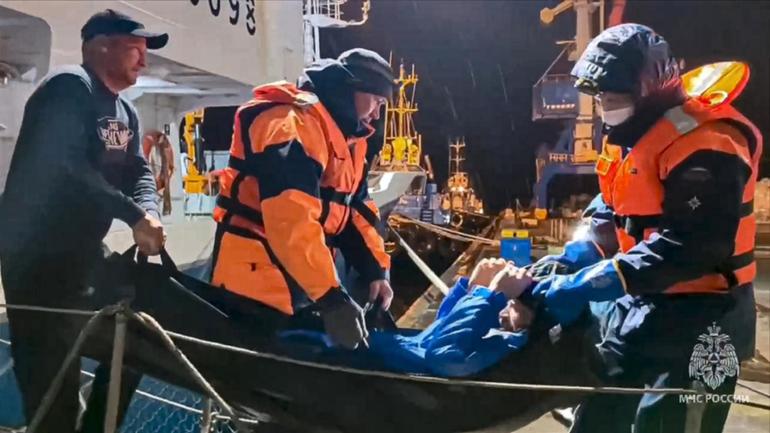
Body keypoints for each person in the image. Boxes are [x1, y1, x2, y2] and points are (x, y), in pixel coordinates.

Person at [525, 23, 761, 433]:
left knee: (672, 424)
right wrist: (576, 257)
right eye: (599, 97)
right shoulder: (632, 135)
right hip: (642, 309)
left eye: (614, 97)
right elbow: (612, 210)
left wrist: (596, 281)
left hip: (705, 319)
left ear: (650, 88)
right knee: (600, 417)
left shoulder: (709, 143)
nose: (605, 106)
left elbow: (695, 245)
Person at [0, 9, 168, 433]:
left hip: (83, 256)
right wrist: (131, 215)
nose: (143, 62)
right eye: (135, 50)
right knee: (52, 386)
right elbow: (65, 168)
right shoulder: (68, 88)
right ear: (101, 47)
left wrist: (148, 210)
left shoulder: (126, 112)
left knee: (139, 341)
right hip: (36, 260)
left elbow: (139, 171)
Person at [210, 49, 395, 350]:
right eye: (377, 101)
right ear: (352, 89)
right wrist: (332, 298)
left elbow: (355, 210)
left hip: (298, 279)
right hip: (252, 284)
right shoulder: (289, 123)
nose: (376, 114)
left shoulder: (349, 139)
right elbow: (290, 217)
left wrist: (376, 272)